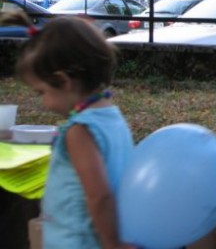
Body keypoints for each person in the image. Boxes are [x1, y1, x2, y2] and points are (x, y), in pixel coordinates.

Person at [13, 14, 135, 249]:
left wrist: (112, 244)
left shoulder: (79, 131)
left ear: (63, 80)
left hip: (79, 241)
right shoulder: (113, 118)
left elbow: (99, 195)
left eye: (41, 92)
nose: (42, 102)